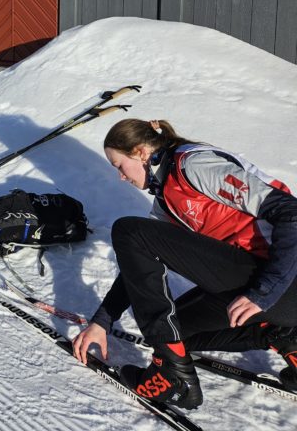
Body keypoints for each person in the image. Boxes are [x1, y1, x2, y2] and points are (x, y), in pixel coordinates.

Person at [71, 118, 297, 409]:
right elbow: (137, 264)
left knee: (128, 229)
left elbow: (290, 212)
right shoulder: (166, 200)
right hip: (266, 284)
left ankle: (173, 376)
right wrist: (102, 321)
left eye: (119, 166)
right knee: (176, 334)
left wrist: (265, 292)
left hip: (284, 280)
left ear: (140, 152)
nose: (121, 177)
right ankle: (285, 335)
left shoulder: (194, 165)